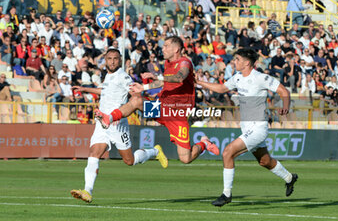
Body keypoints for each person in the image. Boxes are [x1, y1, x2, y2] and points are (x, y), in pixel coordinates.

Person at [196, 48, 298, 207]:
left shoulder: (260, 78)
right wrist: (200, 82)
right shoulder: (237, 77)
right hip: (247, 128)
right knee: (265, 161)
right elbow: (222, 88)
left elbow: (283, 91)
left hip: (258, 128)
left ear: (247, 62)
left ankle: (226, 194)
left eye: (237, 59)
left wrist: (285, 107)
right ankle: (290, 178)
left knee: (227, 152)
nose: (234, 62)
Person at [94, 36, 220, 165]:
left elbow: (179, 78)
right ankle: (108, 118)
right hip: (162, 107)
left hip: (178, 114)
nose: (163, 48)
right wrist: (144, 87)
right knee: (137, 99)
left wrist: (156, 77)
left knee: (185, 159)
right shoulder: (167, 63)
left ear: (176, 49)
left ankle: (204, 143)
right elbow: (164, 82)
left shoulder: (185, 62)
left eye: (166, 46)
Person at [70, 49, 168, 203]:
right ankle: (87, 191)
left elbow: (135, 95)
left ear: (120, 60)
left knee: (129, 161)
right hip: (102, 123)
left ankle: (155, 151)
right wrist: (85, 89)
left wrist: (125, 110)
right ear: (106, 60)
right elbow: (105, 91)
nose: (113, 61)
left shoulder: (123, 77)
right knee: (94, 153)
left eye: (115, 58)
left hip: (117, 124)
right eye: (109, 58)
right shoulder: (107, 76)